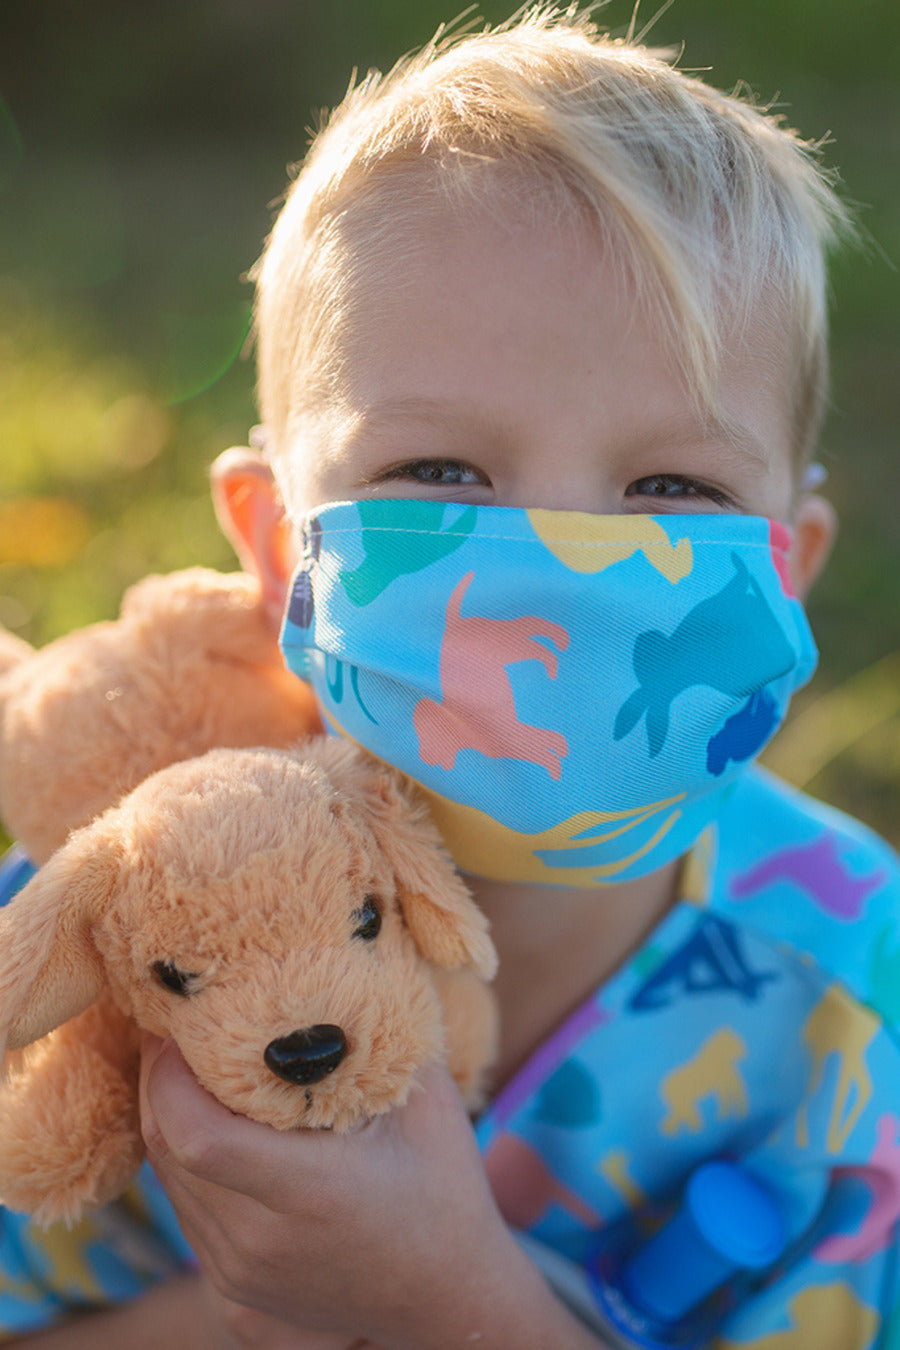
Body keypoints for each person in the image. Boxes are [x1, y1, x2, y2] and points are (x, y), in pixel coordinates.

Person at [3, 7, 899, 1347]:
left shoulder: (853, 991)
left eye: (672, 485)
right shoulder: (115, 922)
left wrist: (447, 1302)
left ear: (788, 561)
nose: (556, 560)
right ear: (271, 542)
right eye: (441, 475)